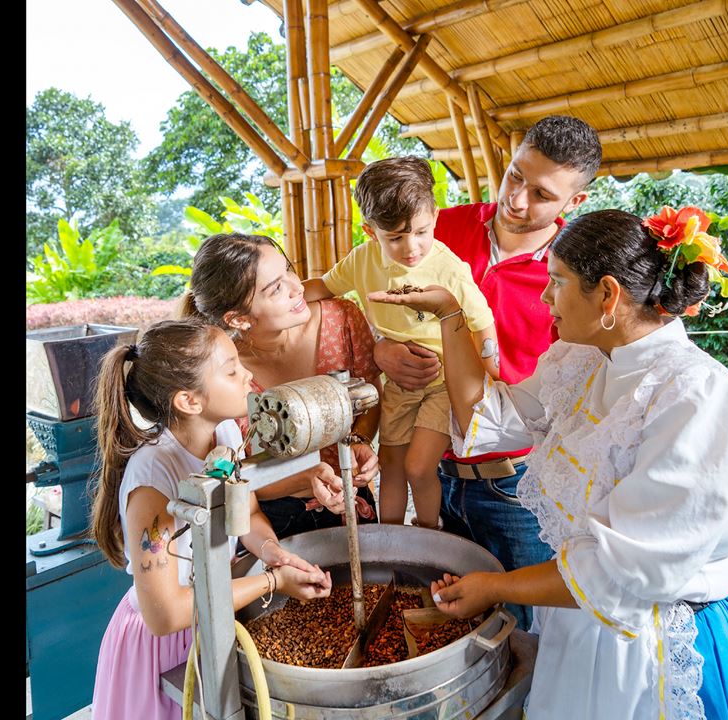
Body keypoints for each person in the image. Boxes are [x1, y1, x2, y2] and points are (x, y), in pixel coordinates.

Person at [366, 208, 728, 719]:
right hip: (580, 619)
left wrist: (495, 587)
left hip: (651, 635)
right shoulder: (584, 357)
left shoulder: (694, 396)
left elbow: (624, 573)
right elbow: (492, 415)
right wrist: (450, 314)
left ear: (608, 295)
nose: (545, 297)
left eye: (557, 282)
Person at [372, 115, 603, 629]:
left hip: (517, 488)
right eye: (515, 176)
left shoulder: (575, 278)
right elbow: (359, 295)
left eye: (542, 193)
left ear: (574, 203)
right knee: (452, 629)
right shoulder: (433, 229)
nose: (518, 200)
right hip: (434, 476)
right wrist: (379, 348)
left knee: (528, 632)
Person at [87, 318, 335, 720]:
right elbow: (164, 614)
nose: (247, 375)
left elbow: (247, 512)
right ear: (189, 401)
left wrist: (275, 555)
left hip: (215, 617)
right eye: (232, 370)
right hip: (163, 649)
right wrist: (272, 582)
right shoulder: (154, 480)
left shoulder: (226, 436)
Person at [303, 156, 499, 528]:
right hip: (398, 383)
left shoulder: (448, 267)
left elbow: (482, 323)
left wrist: (491, 376)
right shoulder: (361, 261)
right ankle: (389, 540)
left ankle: (426, 534)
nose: (412, 246)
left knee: (418, 465)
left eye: (422, 231)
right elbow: (323, 287)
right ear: (370, 231)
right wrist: (282, 298)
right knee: (390, 464)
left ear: (435, 217)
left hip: (444, 384)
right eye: (395, 237)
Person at [188, 233, 381, 537]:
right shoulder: (225, 375)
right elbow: (234, 476)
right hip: (275, 520)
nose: (297, 287)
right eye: (276, 288)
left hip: (352, 498)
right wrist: (307, 481)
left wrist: (360, 439)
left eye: (288, 270)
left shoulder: (341, 318)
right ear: (238, 319)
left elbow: (370, 394)